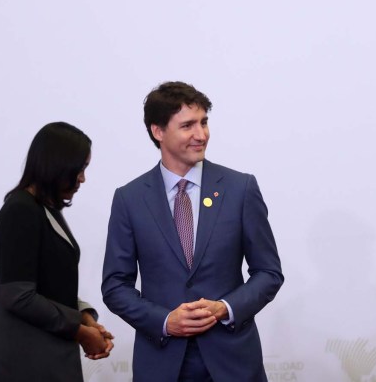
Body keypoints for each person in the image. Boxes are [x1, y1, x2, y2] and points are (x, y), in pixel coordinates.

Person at [102, 81, 284, 381]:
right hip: (162, 363)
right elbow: (115, 286)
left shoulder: (241, 189)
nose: (201, 135)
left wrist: (225, 308)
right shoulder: (129, 199)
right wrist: (165, 320)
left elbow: (269, 272)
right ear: (158, 131)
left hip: (233, 363)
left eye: (204, 123)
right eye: (187, 125)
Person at [0, 122, 114, 382]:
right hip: (20, 364)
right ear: (56, 165)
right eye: (79, 169)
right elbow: (18, 296)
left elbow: (50, 285)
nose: (82, 178)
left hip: (42, 360)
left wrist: (85, 317)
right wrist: (80, 332)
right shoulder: (21, 211)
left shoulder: (45, 210)